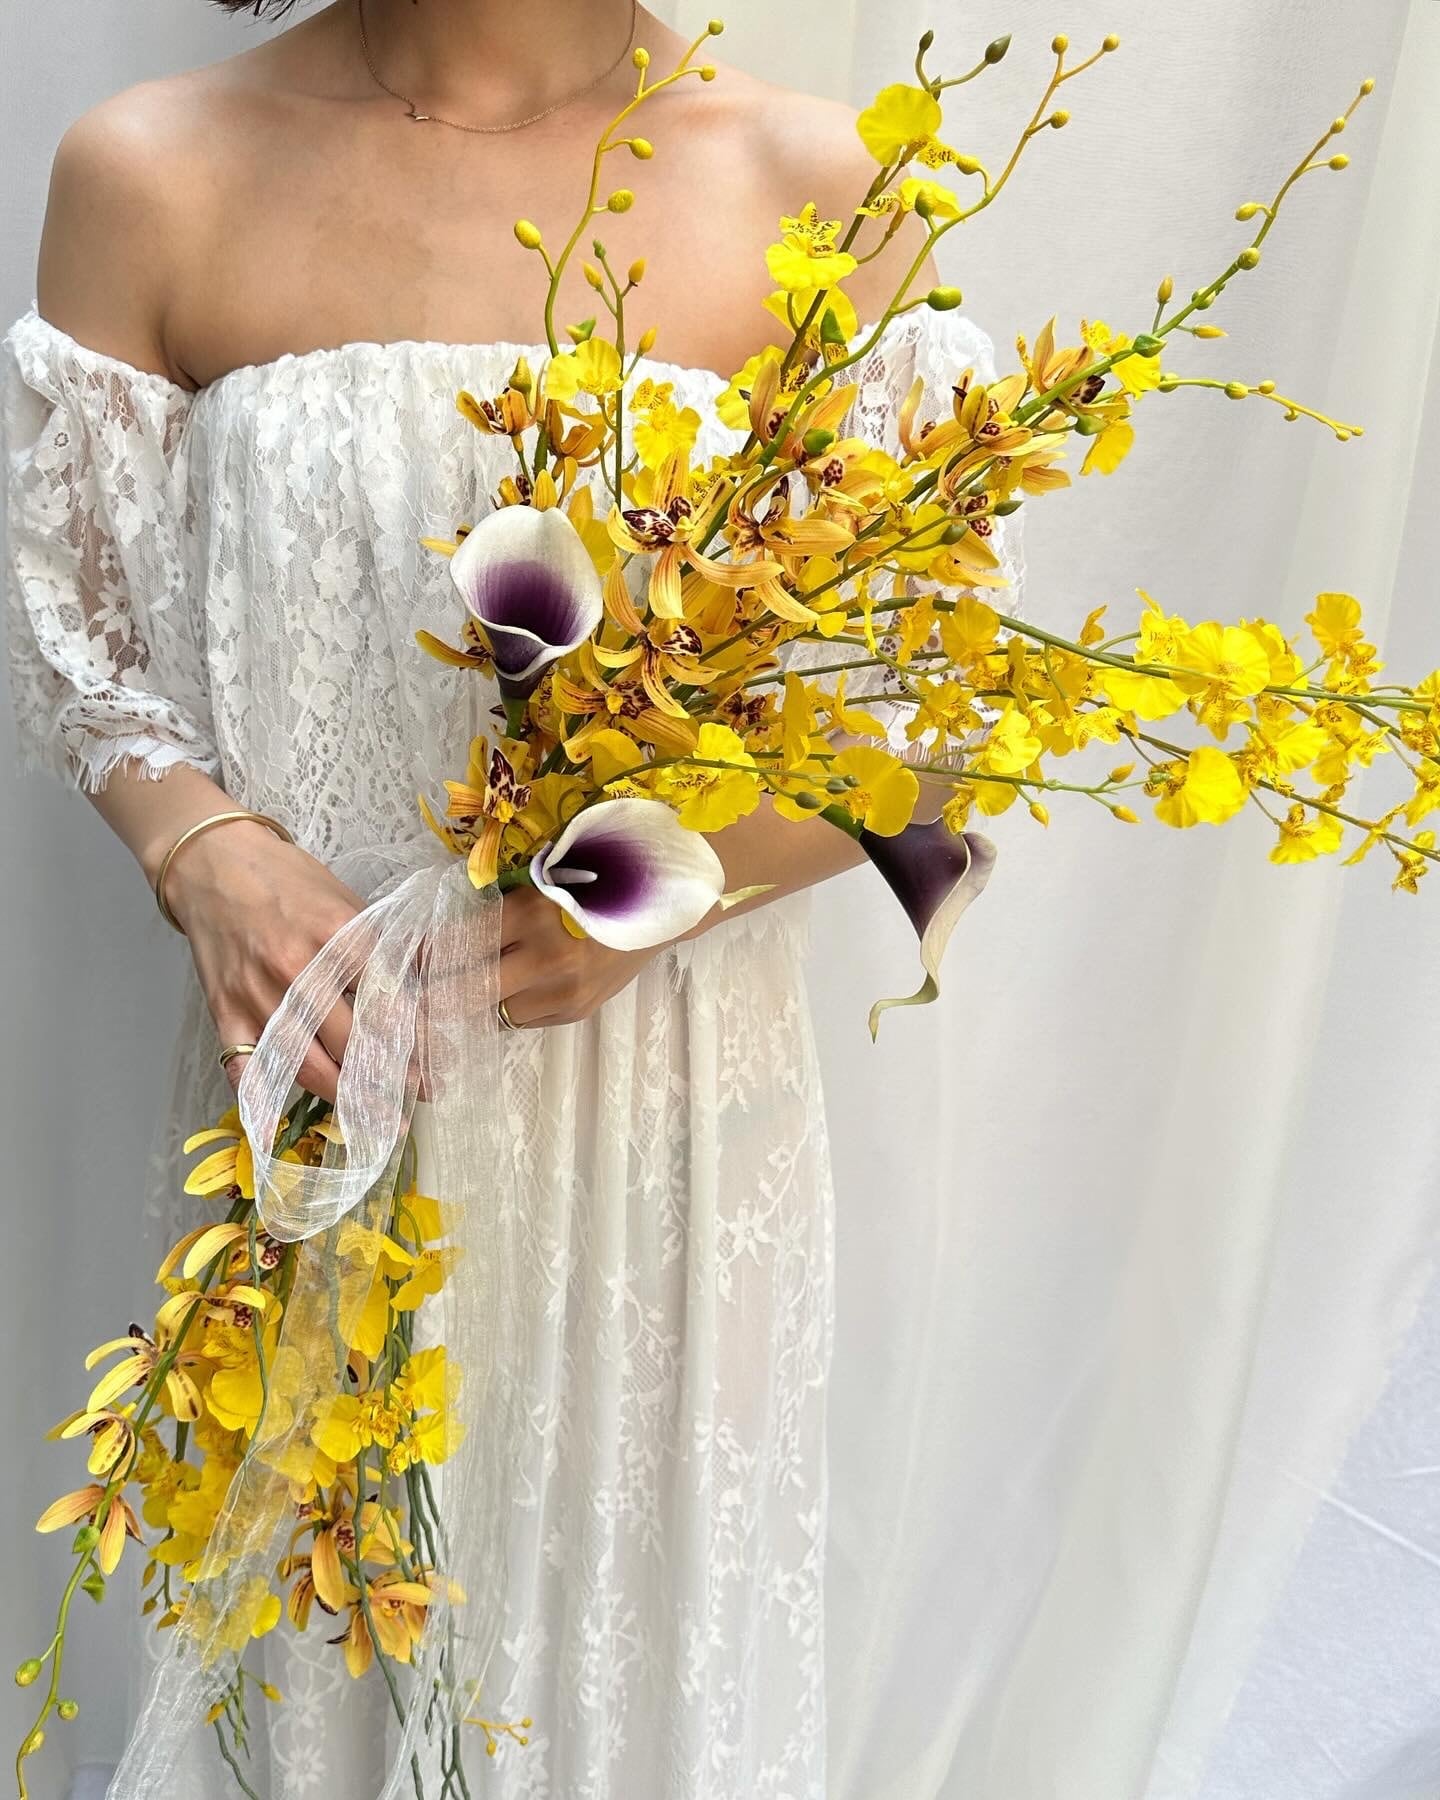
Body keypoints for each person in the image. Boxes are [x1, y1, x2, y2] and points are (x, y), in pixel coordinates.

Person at [2, 2, 1019, 1792]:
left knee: (625, 1682)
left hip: (665, 1144)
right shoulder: (153, 174)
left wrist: (666, 888)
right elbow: (81, 643)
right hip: (319, 1095)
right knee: (305, 1672)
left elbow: (941, 717)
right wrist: (200, 851)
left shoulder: (818, 188)